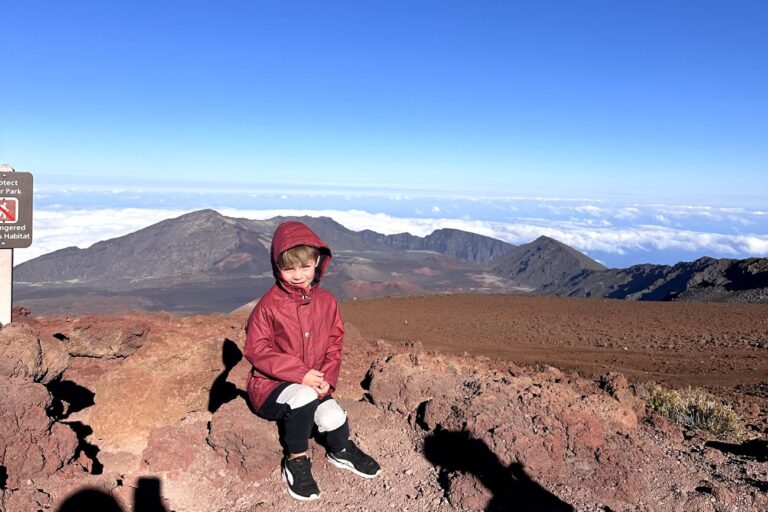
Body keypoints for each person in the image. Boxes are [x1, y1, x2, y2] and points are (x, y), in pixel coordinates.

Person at [243, 221, 381, 501]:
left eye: (305, 266)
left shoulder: (327, 302)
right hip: (271, 388)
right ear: (276, 266)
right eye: (289, 268)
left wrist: (327, 378)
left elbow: (334, 344)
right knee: (304, 396)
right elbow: (257, 350)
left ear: (318, 262)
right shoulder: (268, 306)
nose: (297, 275)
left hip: (312, 383)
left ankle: (340, 450)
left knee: (333, 417)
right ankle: (295, 460)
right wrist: (301, 374)